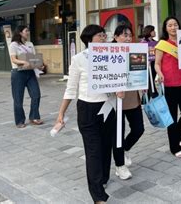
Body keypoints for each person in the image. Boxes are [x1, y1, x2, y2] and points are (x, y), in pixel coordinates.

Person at [55, 25, 117, 204]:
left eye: (104, 35)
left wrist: (120, 90)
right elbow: (71, 88)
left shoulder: (112, 55)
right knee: (93, 150)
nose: (104, 38)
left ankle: (103, 178)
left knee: (106, 147)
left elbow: (120, 78)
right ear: (89, 38)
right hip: (87, 109)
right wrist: (61, 112)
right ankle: (98, 196)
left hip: (108, 107)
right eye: (100, 35)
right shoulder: (78, 59)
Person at [154, 17, 181, 158]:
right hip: (169, 84)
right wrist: (159, 74)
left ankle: (177, 137)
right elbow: (157, 64)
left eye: (175, 24)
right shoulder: (162, 44)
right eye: (169, 25)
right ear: (166, 28)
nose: (173, 27)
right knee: (172, 117)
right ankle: (174, 147)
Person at [112, 25, 144, 181]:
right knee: (118, 134)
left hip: (132, 97)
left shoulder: (135, 51)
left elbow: (141, 71)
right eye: (124, 35)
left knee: (138, 129)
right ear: (116, 37)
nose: (127, 38)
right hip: (114, 100)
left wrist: (144, 85)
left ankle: (124, 149)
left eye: (130, 35)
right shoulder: (108, 54)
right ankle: (120, 166)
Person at [9, 25, 45, 128]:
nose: (28, 33)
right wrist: (23, 62)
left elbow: (34, 59)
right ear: (20, 32)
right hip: (18, 73)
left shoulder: (30, 44)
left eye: (28, 31)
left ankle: (34, 117)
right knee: (18, 99)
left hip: (30, 72)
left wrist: (40, 66)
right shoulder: (14, 45)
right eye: (26, 31)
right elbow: (13, 59)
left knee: (36, 95)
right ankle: (20, 121)